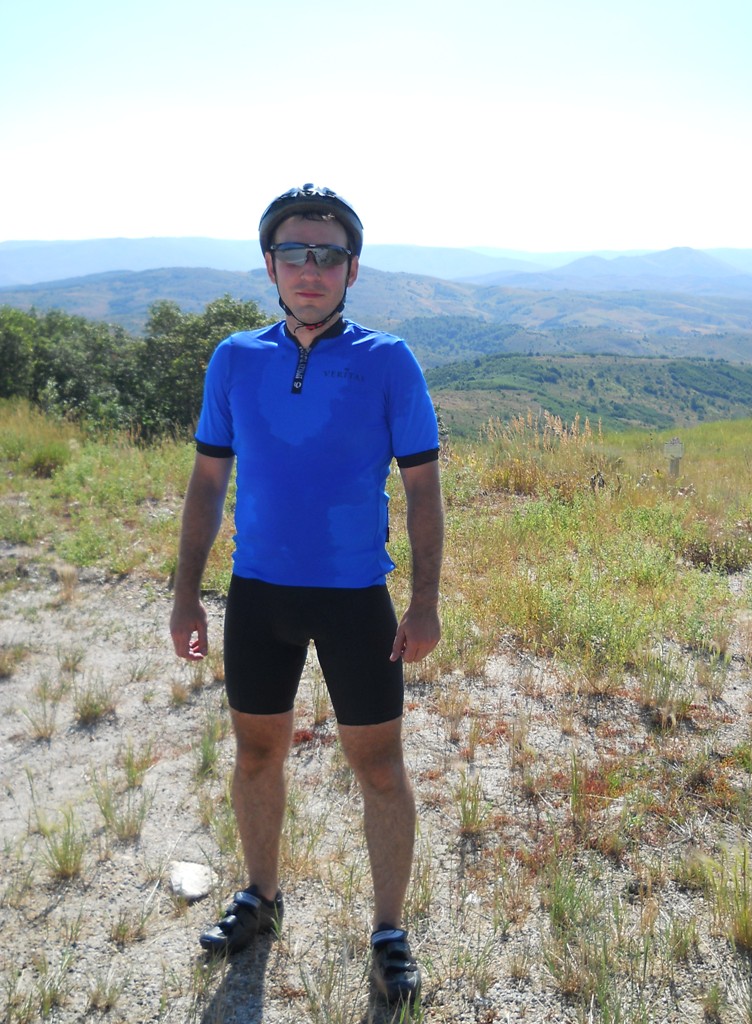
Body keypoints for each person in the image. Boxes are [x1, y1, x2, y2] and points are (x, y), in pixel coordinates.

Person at [170, 184, 443, 1005]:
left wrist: (424, 603)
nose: (311, 269)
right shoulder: (234, 358)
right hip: (259, 594)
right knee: (257, 753)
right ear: (271, 265)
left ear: (352, 270)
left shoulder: (388, 360)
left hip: (356, 596)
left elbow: (423, 491)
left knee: (380, 767)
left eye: (329, 255)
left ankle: (388, 931)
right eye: (295, 252)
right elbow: (208, 482)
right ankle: (261, 896)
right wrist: (186, 594)